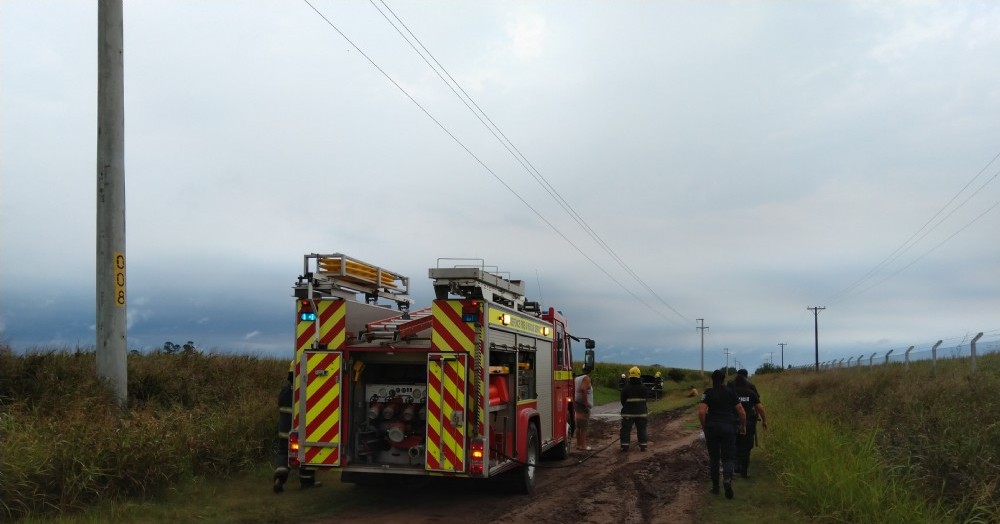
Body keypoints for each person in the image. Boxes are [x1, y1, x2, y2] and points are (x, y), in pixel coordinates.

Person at [699, 369, 746, 499]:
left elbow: (702, 412)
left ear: (712, 379)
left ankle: (715, 488)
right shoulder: (731, 392)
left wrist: (704, 427)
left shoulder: (707, 393)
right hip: (729, 428)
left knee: (714, 458)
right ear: (724, 379)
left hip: (712, 428)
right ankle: (727, 479)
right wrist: (742, 426)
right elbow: (741, 412)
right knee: (728, 458)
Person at [733, 374, 767, 478]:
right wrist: (764, 421)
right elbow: (760, 408)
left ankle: (737, 465)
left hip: (734, 423)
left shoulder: (731, 393)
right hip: (748, 424)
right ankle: (744, 472)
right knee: (746, 448)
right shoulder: (751, 393)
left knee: (735, 445)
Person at [620, 366, 649, 452]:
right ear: (639, 375)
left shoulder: (626, 387)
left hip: (628, 413)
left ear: (630, 376)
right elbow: (646, 400)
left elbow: (622, 400)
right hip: (641, 413)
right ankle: (643, 445)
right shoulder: (644, 387)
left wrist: (627, 407)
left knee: (626, 429)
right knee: (642, 429)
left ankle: (625, 445)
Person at [574, 370, 594, 451]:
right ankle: (584, 446)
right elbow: (583, 389)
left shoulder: (577, 378)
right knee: (584, 426)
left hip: (577, 403)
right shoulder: (586, 378)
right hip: (583, 405)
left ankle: (579, 445)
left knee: (579, 426)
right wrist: (586, 403)